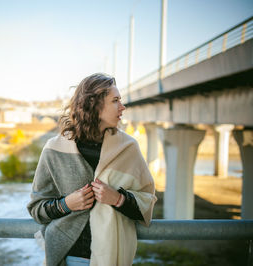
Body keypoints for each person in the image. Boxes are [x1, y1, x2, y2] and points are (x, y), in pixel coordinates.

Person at [27, 73, 157, 266]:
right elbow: (37, 209)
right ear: (94, 104)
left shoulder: (128, 148)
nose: (123, 107)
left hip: (113, 257)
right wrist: (66, 204)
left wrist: (119, 199)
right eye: (115, 101)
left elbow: (147, 202)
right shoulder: (54, 150)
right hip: (67, 257)